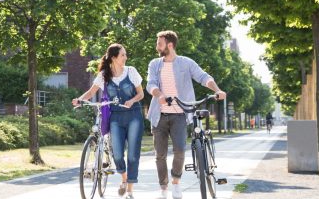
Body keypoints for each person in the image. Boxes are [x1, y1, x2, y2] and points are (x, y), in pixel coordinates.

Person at [145, 31, 226, 199]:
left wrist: (217, 90)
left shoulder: (186, 63)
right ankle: (163, 187)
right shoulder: (154, 64)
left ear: (170, 45)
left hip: (180, 114)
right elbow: (150, 83)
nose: (157, 46)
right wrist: (159, 94)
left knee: (180, 151)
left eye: (159, 43)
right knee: (160, 155)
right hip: (159, 115)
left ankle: (175, 183)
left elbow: (203, 77)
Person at [73, 44, 145, 199]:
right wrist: (80, 99)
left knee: (133, 155)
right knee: (117, 154)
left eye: (125, 55)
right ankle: (124, 179)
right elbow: (92, 91)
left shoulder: (131, 71)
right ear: (114, 58)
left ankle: (130, 190)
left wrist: (132, 100)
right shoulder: (104, 75)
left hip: (134, 116)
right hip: (116, 117)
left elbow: (141, 94)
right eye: (123, 55)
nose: (126, 58)